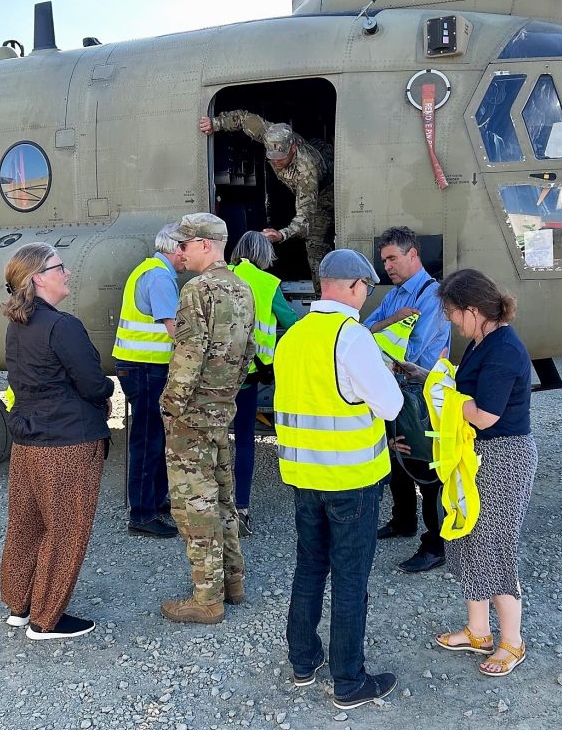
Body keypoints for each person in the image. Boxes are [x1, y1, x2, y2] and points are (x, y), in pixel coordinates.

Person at [274, 249, 403, 710]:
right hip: (352, 480)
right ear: (352, 286)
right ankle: (349, 681)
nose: (366, 297)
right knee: (351, 577)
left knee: (310, 567)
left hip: (302, 477)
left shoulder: (294, 336)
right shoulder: (352, 338)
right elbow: (390, 407)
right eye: (366, 289)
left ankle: (303, 661)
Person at [0, 243, 115, 640]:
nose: (66, 273)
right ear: (37, 278)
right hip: (67, 442)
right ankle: (46, 619)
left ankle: (21, 604)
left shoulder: (19, 324)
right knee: (66, 527)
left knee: (27, 524)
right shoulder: (62, 326)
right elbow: (92, 383)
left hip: (28, 440)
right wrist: (106, 394)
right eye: (59, 267)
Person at [431, 269, 537, 677]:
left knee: (494, 545)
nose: (452, 321)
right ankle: (479, 632)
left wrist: (445, 396)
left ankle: (512, 641)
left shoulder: (503, 350)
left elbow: (486, 415)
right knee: (469, 536)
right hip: (477, 456)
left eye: (454, 313)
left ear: (473, 310)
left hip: (503, 456)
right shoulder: (482, 341)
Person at [159, 213, 255, 625]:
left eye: (185, 243)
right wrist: (225, 397)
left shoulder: (197, 290)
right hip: (221, 410)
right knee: (223, 499)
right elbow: (248, 350)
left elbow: (189, 355)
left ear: (205, 245)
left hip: (192, 416)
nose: (180, 251)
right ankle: (233, 583)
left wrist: (171, 407)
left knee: (193, 507)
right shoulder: (243, 288)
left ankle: (207, 599)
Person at [364, 227, 452, 573]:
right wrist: (393, 321)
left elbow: (408, 353)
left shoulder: (434, 296)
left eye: (392, 258)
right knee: (397, 457)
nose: (387, 266)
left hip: (420, 393)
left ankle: (437, 543)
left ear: (413, 254)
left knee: (426, 470)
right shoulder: (396, 295)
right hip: (395, 389)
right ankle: (403, 520)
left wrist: (381, 345)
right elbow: (365, 331)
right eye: (384, 259)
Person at [199, 111, 333, 292]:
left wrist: (282, 234)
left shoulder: (307, 172)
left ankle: (324, 300)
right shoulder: (270, 134)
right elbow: (243, 119)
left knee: (315, 244)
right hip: (314, 149)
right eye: (272, 157)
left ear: (292, 148)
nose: (276, 162)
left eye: (281, 157)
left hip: (325, 188)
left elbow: (305, 220)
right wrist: (215, 123)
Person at [113, 224, 187, 538]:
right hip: (145, 369)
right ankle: (141, 514)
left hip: (143, 368)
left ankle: (154, 501)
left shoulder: (153, 270)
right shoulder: (159, 277)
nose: (187, 256)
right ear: (174, 248)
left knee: (154, 436)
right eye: (185, 247)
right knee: (147, 440)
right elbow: (175, 330)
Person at [229, 231, 299, 536]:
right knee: (244, 441)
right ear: (264, 255)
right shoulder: (269, 285)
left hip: (212, 377)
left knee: (211, 443)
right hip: (247, 377)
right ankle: (240, 510)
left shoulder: (216, 277)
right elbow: (293, 326)